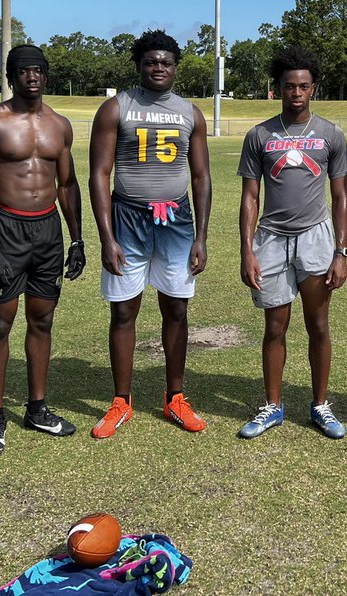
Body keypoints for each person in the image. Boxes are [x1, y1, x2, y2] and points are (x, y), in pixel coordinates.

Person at [88, 30, 212, 436]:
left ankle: (175, 397)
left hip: (176, 220)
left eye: (166, 62)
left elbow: (201, 176)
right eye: (150, 62)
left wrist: (202, 236)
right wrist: (106, 237)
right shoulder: (115, 108)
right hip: (128, 217)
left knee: (176, 307)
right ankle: (121, 401)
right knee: (124, 309)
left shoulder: (190, 112)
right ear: (139, 66)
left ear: (176, 68)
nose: (158, 68)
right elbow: (100, 174)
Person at [0, 44, 85, 456]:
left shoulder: (60, 125)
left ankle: (37, 407)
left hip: (48, 231)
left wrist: (78, 239)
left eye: (38, 71)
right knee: (0, 322)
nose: (31, 77)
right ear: (11, 76)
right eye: (23, 71)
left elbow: (67, 184)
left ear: (45, 76)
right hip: (8, 229)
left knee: (42, 319)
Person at [236, 46, 347, 439]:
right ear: (279, 88)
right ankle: (272, 406)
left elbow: (341, 197)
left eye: (303, 86)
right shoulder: (259, 135)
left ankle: (320, 405)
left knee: (318, 325)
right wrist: (246, 249)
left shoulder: (330, 134)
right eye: (289, 86)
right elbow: (250, 197)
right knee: (275, 327)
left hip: (316, 237)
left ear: (313, 88)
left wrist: (341, 251)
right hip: (270, 238)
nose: (296, 93)